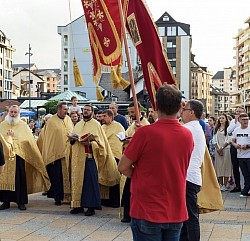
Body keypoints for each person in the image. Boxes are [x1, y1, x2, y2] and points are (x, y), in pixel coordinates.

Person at [118, 84, 193, 241]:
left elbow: (123, 167)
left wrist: (139, 173)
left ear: (156, 106)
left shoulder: (144, 133)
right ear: (180, 106)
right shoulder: (187, 135)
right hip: (175, 208)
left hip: (146, 208)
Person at [69, 104, 120, 216]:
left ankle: (91, 207)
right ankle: (78, 205)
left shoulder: (96, 125)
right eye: (84, 110)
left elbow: (101, 143)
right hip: (78, 159)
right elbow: (73, 138)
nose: (86, 111)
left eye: (88, 110)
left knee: (90, 183)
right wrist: (72, 140)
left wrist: (90, 143)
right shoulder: (78, 124)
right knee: (77, 181)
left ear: (92, 112)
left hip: (89, 157)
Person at [0, 105, 50, 211]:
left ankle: (21, 202)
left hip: (19, 156)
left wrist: (13, 141)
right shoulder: (2, 125)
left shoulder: (23, 125)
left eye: (15, 112)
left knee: (20, 179)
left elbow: (27, 141)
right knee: (4, 179)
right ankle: (6, 202)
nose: (13, 114)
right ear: (8, 112)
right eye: (11, 112)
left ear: (18, 113)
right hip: (5, 157)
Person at [180, 99, 206, 241]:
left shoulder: (189, 128)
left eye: (184, 109)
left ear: (191, 113)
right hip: (191, 177)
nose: (182, 112)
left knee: (190, 217)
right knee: (186, 216)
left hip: (188, 177)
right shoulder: (193, 127)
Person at [41, 102, 74, 205]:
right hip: (56, 155)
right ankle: (58, 197)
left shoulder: (68, 119)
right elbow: (48, 138)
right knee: (57, 177)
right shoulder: (51, 121)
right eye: (64, 109)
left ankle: (68, 197)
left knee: (68, 176)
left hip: (68, 153)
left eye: (67, 109)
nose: (66, 111)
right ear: (58, 110)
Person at [102, 109, 125, 208]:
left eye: (105, 116)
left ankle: (115, 201)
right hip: (104, 155)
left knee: (115, 177)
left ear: (111, 117)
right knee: (106, 177)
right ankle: (105, 199)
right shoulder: (101, 127)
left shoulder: (118, 126)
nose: (103, 118)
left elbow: (122, 138)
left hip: (115, 154)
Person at [232, 113, 250, 197]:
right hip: (240, 155)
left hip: (249, 155)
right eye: (243, 119)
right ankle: (246, 189)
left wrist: (247, 146)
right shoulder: (236, 130)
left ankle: (246, 189)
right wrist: (235, 145)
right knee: (245, 174)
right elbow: (233, 141)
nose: (246, 121)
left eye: (247, 119)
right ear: (239, 120)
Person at [227, 106, 245, 193]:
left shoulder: (246, 122)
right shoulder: (233, 122)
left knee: (244, 166)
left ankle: (245, 185)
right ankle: (237, 185)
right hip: (234, 146)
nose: (237, 113)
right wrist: (235, 122)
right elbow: (229, 131)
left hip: (243, 147)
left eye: (239, 112)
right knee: (235, 166)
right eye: (236, 111)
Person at [213, 114, 232, 191]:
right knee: (219, 166)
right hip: (218, 150)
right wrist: (218, 149)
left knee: (226, 166)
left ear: (226, 119)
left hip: (226, 149)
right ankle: (221, 184)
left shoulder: (228, 129)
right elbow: (214, 139)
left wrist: (222, 148)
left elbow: (228, 139)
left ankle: (225, 183)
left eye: (223, 118)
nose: (221, 119)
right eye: (220, 118)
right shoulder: (216, 128)